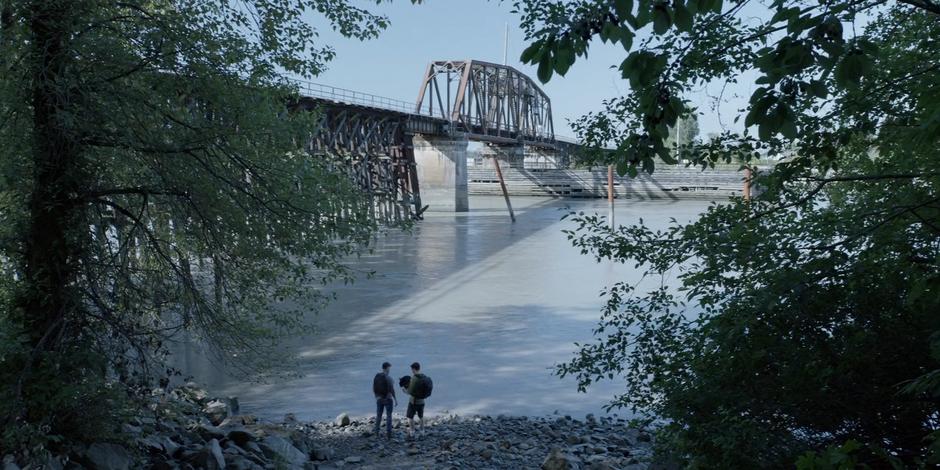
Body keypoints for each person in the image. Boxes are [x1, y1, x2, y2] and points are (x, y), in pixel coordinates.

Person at [402, 362, 428, 440]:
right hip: (422, 401)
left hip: (413, 401)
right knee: (421, 416)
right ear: (419, 368)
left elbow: (410, 391)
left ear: (413, 369)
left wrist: (404, 391)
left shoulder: (414, 378)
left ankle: (412, 432)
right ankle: (422, 431)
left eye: (412, 369)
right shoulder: (424, 377)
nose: (412, 371)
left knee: (410, 417)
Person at [373, 361, 397, 440]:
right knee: (389, 416)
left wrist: (376, 397)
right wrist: (395, 399)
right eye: (389, 368)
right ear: (387, 368)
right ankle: (389, 435)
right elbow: (392, 390)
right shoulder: (389, 378)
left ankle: (376, 433)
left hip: (379, 399)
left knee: (379, 416)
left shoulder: (377, 376)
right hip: (387, 399)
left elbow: (374, 388)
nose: (389, 370)